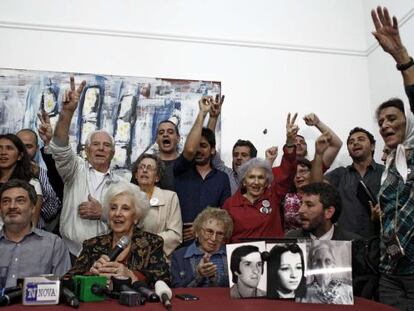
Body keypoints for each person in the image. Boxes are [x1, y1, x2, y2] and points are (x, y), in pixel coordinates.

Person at [49, 76, 125, 258]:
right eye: (95, 144)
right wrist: (67, 112)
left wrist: (104, 213)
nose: (100, 148)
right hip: (69, 253)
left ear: (113, 153)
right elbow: (59, 146)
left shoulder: (123, 183)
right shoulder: (74, 169)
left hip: (106, 256)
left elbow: (131, 221)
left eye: (106, 145)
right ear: (86, 149)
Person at [371, 6, 414, 309]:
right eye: (380, 121)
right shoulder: (388, 164)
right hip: (389, 272)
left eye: (391, 118)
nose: (385, 125)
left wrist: (402, 57)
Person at [66, 180, 169, 287]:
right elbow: (68, 279)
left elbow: (164, 281)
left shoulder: (152, 243)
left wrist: (131, 275)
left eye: (125, 208)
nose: (117, 213)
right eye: (113, 208)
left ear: (136, 216)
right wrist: (90, 275)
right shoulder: (92, 245)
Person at [223, 113, 298, 242]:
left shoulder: (273, 195)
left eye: (261, 178)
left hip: (273, 258)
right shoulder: (230, 204)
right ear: (244, 181)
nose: (256, 182)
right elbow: (224, 237)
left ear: (266, 182)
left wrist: (290, 142)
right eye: (251, 177)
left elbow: (287, 171)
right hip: (242, 260)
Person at [174, 96, 231, 243]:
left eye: (204, 146)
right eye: (197, 145)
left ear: (213, 150)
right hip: (181, 244)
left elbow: (224, 215)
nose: (198, 150)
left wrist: (200, 229)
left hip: (211, 245)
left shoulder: (222, 178)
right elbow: (191, 149)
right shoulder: (181, 170)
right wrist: (202, 113)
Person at [0, 179, 70, 288]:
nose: (12, 206)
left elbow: (64, 291)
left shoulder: (54, 245)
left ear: (33, 208)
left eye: (20, 200)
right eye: (6, 201)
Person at [325, 127, 384, 238]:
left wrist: (382, 215)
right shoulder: (340, 174)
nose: (355, 143)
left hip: (378, 244)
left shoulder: (386, 173)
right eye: (351, 142)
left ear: (372, 146)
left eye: (361, 139)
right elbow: (316, 184)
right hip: (345, 245)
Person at [131, 153, 182, 259]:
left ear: (157, 177)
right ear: (136, 175)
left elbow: (175, 235)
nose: (144, 170)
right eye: (141, 167)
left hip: (157, 257)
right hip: (129, 256)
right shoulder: (126, 197)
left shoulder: (170, 197)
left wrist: (147, 243)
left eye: (149, 168)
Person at [207, 95, 258, 194]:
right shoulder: (226, 175)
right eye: (235, 155)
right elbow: (208, 146)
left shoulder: (259, 181)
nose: (238, 158)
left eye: (244, 155)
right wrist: (213, 118)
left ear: (253, 160)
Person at [171, 207, 233, 288]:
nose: (214, 238)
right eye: (209, 231)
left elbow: (239, 286)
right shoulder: (179, 256)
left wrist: (215, 278)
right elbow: (176, 289)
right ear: (197, 232)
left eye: (220, 234)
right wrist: (198, 275)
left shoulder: (231, 254)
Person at [283, 132, 331, 232]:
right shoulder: (285, 195)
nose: (298, 176)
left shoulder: (321, 192)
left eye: (303, 171)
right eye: (294, 173)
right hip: (290, 241)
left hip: (316, 240)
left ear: (311, 173)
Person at [16, 128, 61, 230]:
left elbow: (51, 212)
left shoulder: (44, 174)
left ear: (36, 149)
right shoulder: (4, 173)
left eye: (28, 146)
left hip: (35, 235)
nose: (24, 150)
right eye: (20, 146)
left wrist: (38, 177)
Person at [286, 182, 360, 241]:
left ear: (329, 212)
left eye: (309, 205)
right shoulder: (290, 240)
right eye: (301, 204)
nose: (300, 210)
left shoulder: (352, 243)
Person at [0, 134, 42, 228]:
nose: (3, 152)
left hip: (15, 240)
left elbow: (32, 225)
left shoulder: (32, 183)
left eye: (9, 148)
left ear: (20, 155)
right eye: (0, 148)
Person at [156, 120, 180, 191]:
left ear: (178, 138)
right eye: (161, 133)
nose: (165, 135)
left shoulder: (185, 164)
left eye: (170, 132)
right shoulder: (148, 164)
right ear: (157, 139)